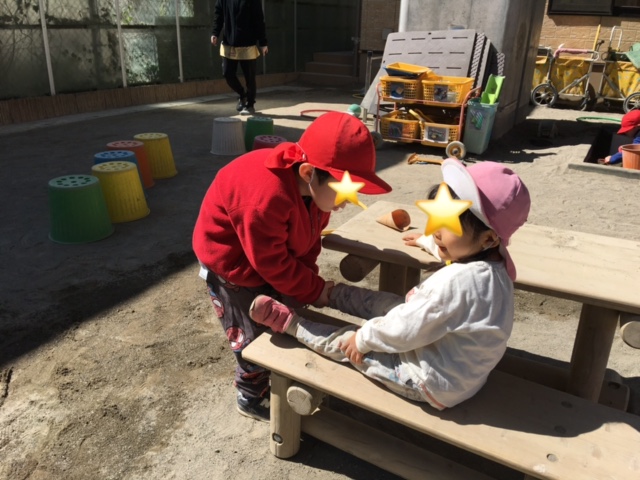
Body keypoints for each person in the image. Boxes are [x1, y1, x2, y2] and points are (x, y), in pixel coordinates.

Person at [249, 158, 531, 410]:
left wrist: (363, 339)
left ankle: (291, 324)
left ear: (488, 238)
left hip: (426, 380)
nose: (435, 231)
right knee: (388, 304)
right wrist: (428, 242)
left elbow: (408, 328)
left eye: (447, 226)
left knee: (349, 343)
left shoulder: (459, 283)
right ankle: (329, 294)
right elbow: (458, 260)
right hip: (455, 368)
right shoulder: (492, 264)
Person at [193, 112, 392, 421]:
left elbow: (309, 241)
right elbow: (272, 263)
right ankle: (250, 393)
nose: (349, 200)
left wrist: (308, 281)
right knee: (251, 333)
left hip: (266, 254)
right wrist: (313, 289)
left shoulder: (318, 194)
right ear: (309, 172)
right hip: (233, 265)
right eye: (345, 190)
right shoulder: (265, 198)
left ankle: (280, 371)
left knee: (288, 307)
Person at [211, 0, 268, 115]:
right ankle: (243, 95)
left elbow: (258, 19)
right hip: (229, 42)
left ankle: (250, 104)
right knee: (227, 73)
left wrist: (263, 42)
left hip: (247, 43)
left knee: (249, 77)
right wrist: (215, 33)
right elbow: (219, 14)